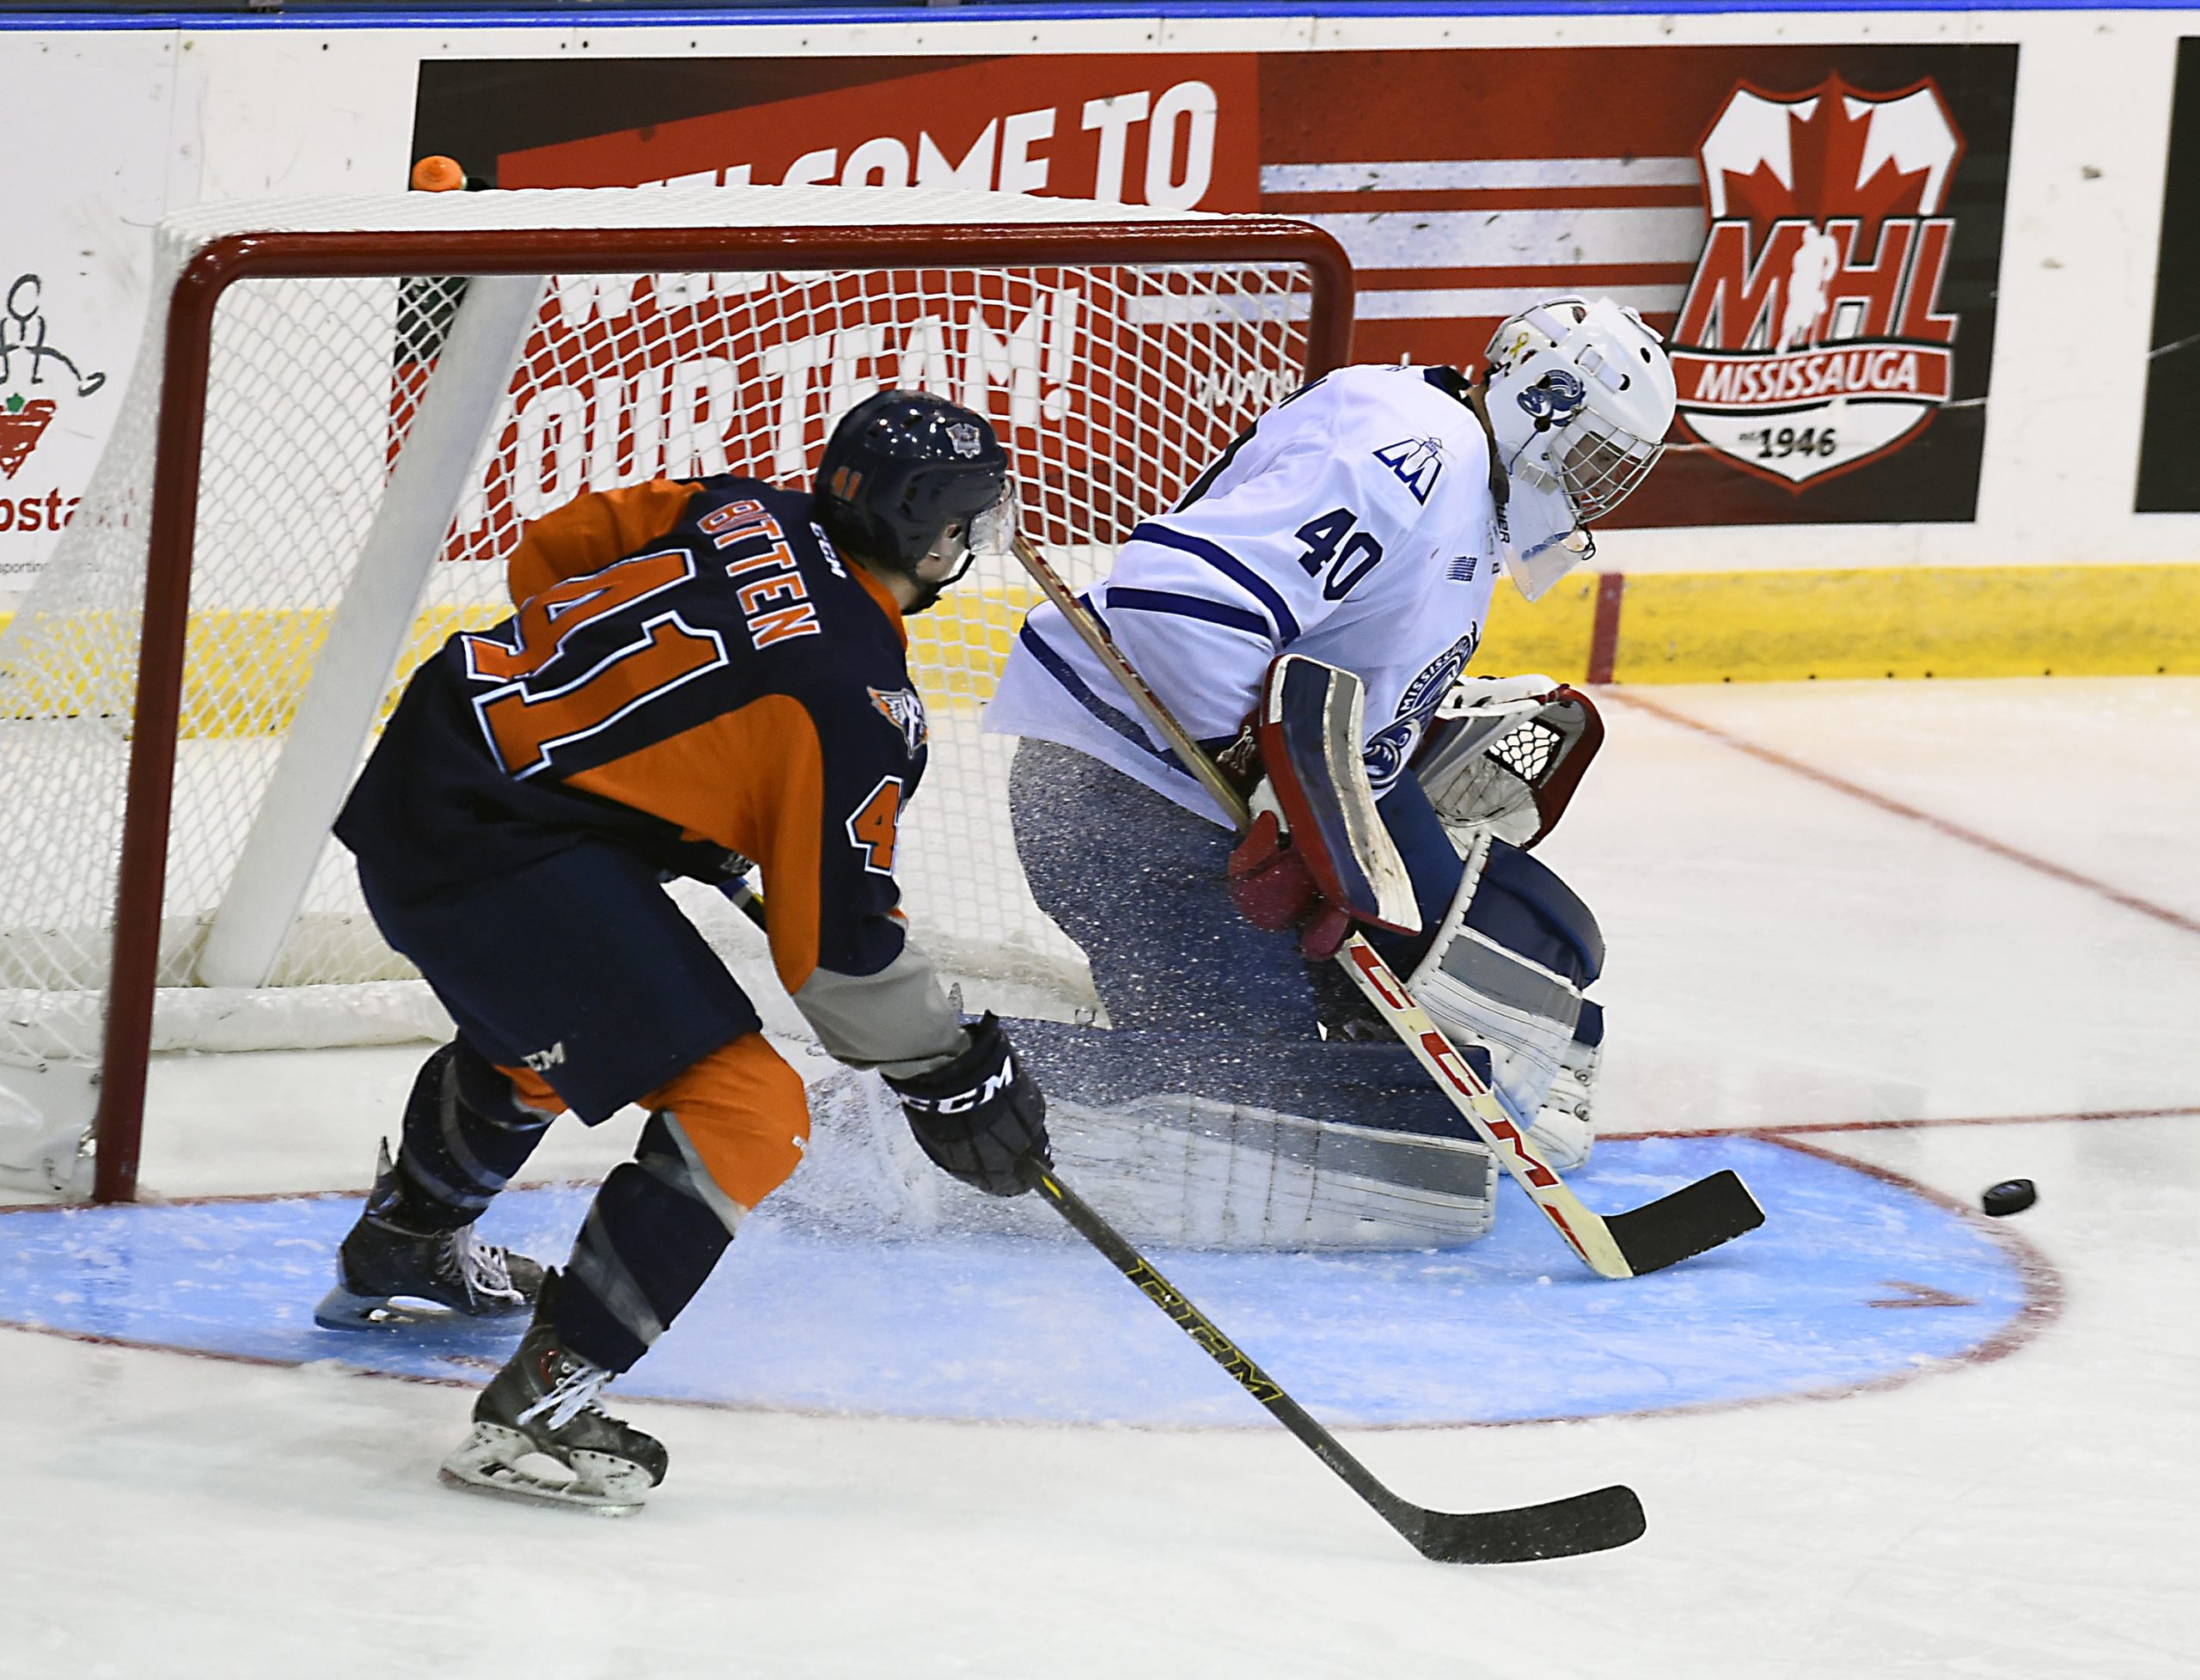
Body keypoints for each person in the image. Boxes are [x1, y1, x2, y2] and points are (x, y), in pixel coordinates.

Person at [318, 391, 1051, 1513]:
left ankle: (406, 1242)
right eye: (966, 521)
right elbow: (842, 968)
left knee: (561, 1019)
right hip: (493, 855)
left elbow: (553, 552)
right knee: (752, 1105)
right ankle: (542, 1408)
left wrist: (652, 773)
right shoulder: (857, 699)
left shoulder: (743, 508)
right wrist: (955, 1069)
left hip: (439, 758)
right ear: (930, 529)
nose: (969, 544)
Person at [984, 297, 1676, 1213]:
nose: (1591, 489)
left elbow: (1328, 658)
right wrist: (1273, 791)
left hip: (1188, 812)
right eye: (1591, 455)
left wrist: (1393, 734)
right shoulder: (1411, 450)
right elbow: (1172, 611)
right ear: (1538, 400)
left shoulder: (1460, 470)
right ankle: (944, 1089)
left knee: (1514, 931)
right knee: (1264, 1122)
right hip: (1130, 809)